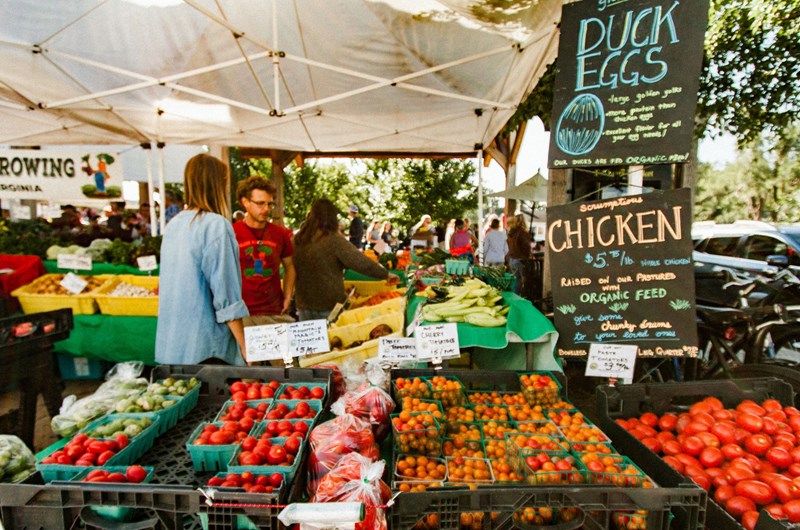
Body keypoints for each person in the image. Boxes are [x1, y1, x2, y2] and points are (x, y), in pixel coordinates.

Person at [155, 153, 249, 366]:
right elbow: (226, 297)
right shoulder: (216, 226)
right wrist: (244, 345)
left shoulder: (174, 225)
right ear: (217, 185)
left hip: (173, 347)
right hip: (207, 351)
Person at [293, 198, 399, 321]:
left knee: (307, 339)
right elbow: (360, 262)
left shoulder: (297, 240)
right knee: (329, 338)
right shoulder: (333, 240)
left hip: (303, 304)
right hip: (328, 304)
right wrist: (385, 274)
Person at [233, 175, 296, 325]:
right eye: (260, 203)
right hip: (242, 312)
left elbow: (290, 266)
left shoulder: (280, 234)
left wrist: (288, 296)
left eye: (269, 204)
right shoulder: (232, 233)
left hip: (274, 311)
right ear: (245, 202)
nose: (266, 209)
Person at [506, 214, 532, 296]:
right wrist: (527, 256)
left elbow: (508, 244)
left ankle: (514, 297)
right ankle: (517, 298)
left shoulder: (511, 232)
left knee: (515, 280)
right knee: (521, 281)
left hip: (512, 259)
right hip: (520, 259)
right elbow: (526, 246)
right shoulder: (523, 232)